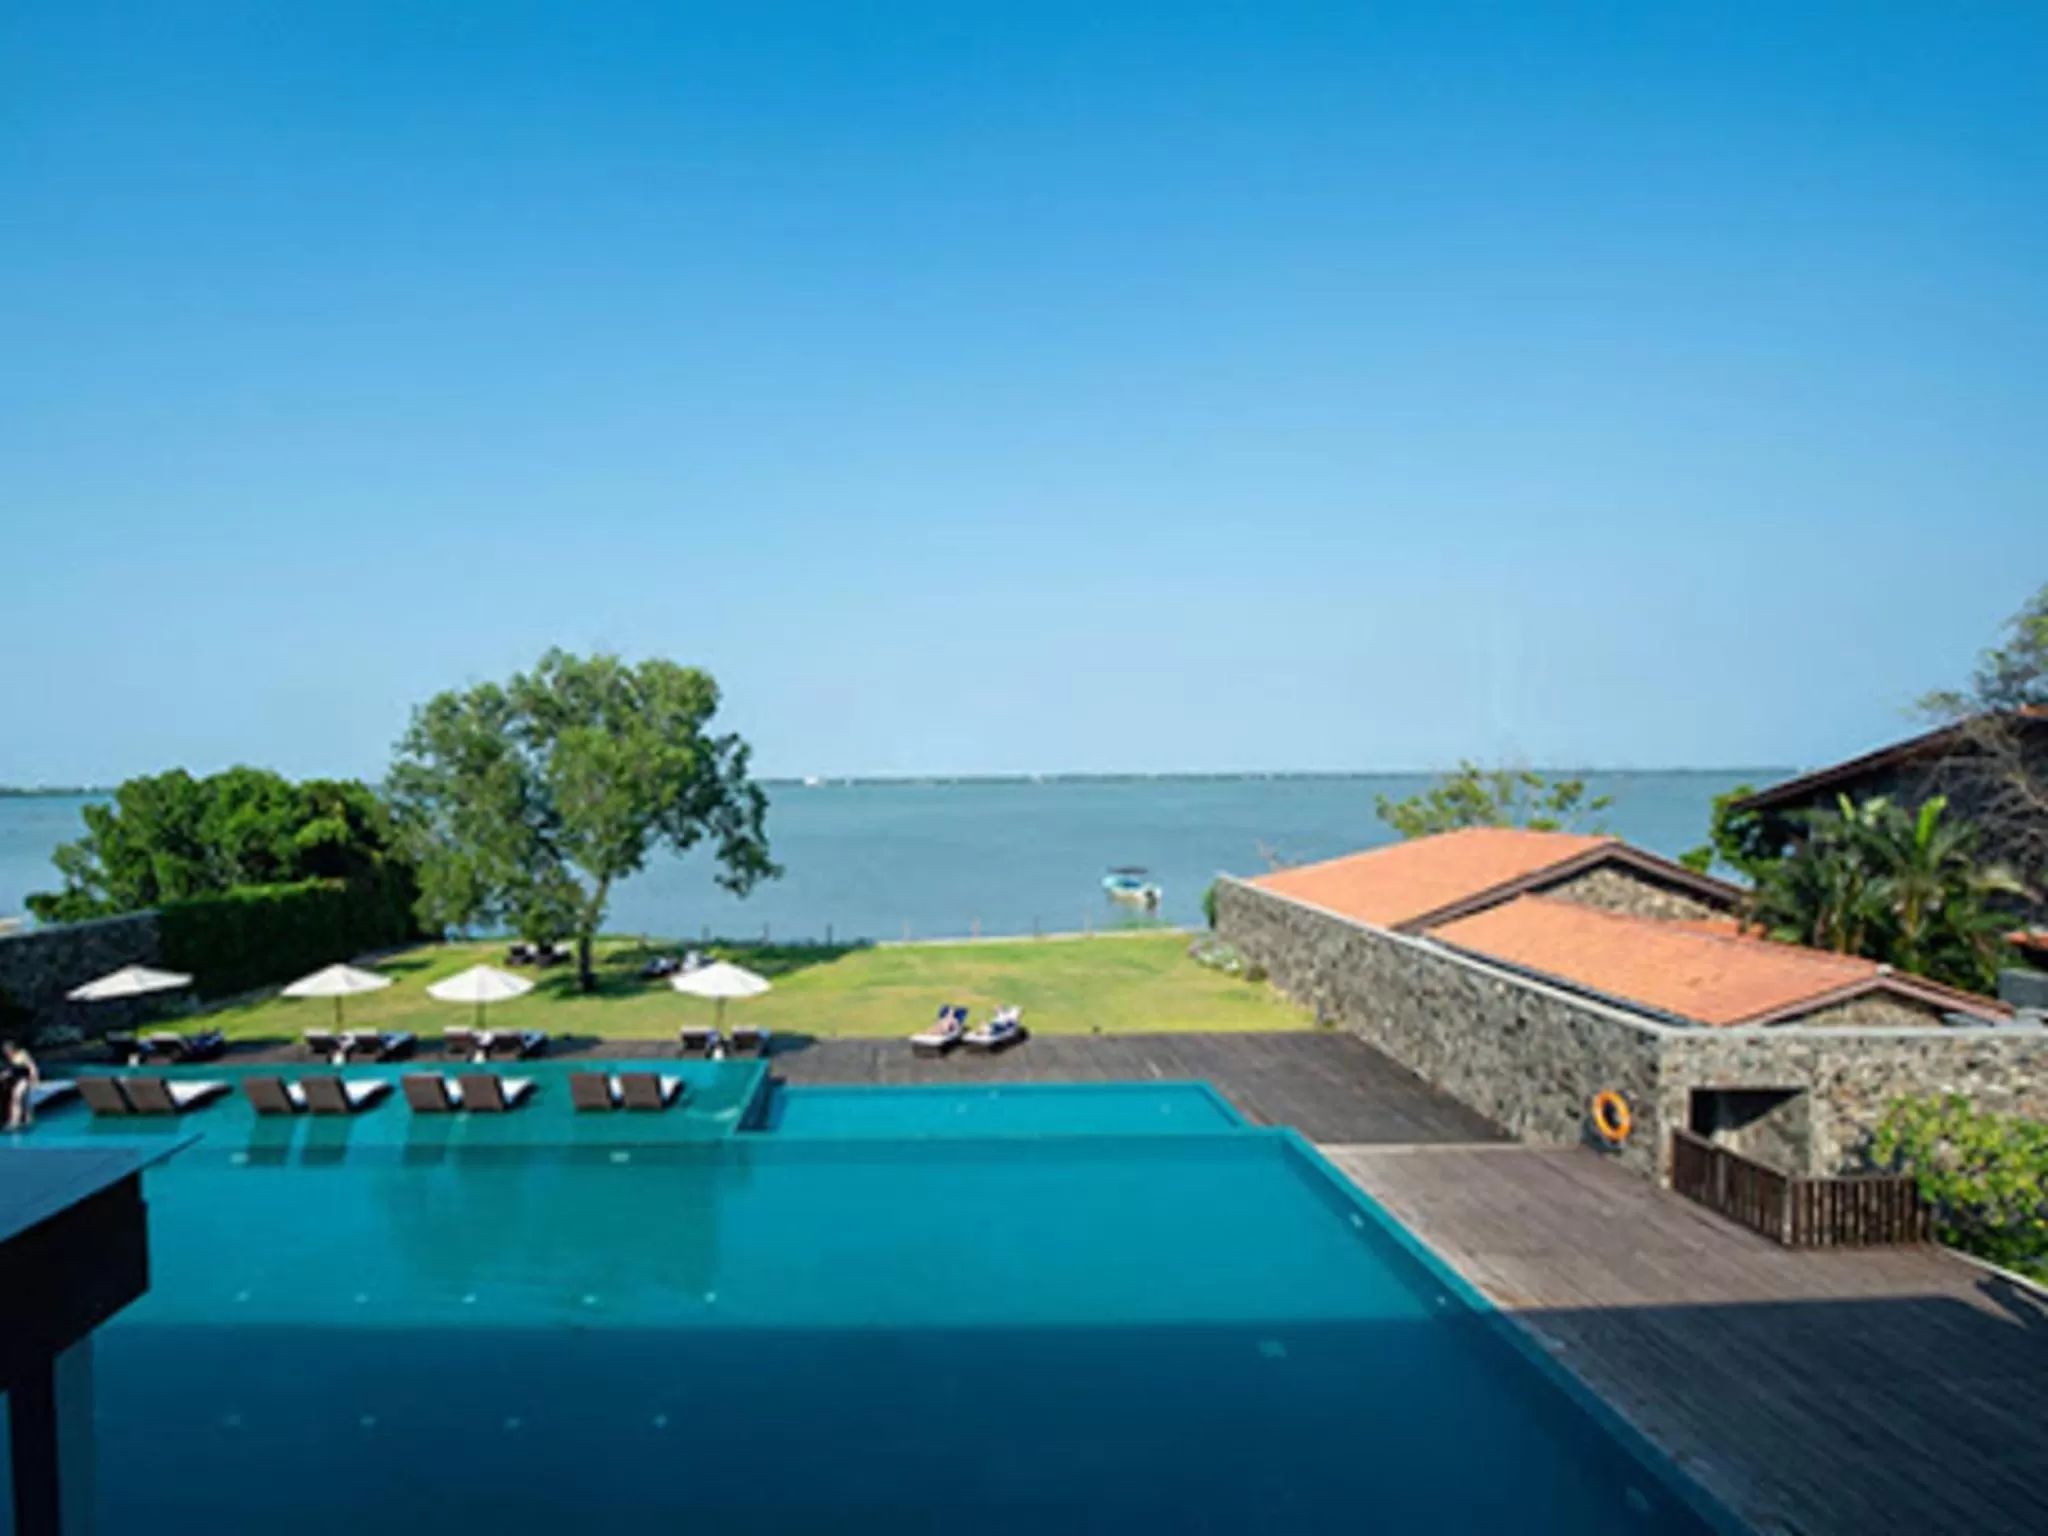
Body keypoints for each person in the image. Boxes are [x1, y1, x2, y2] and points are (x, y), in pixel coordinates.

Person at [2, 1040, 39, 1132]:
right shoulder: (9, 1058)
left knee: (16, 1096)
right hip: (15, 1080)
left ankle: (15, 1122)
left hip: (24, 1079)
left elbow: (32, 1067)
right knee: (21, 1100)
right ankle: (25, 1119)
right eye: (5, 1050)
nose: (6, 1052)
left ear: (13, 1048)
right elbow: (10, 1071)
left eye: (7, 1049)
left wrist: (34, 1079)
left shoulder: (22, 1054)